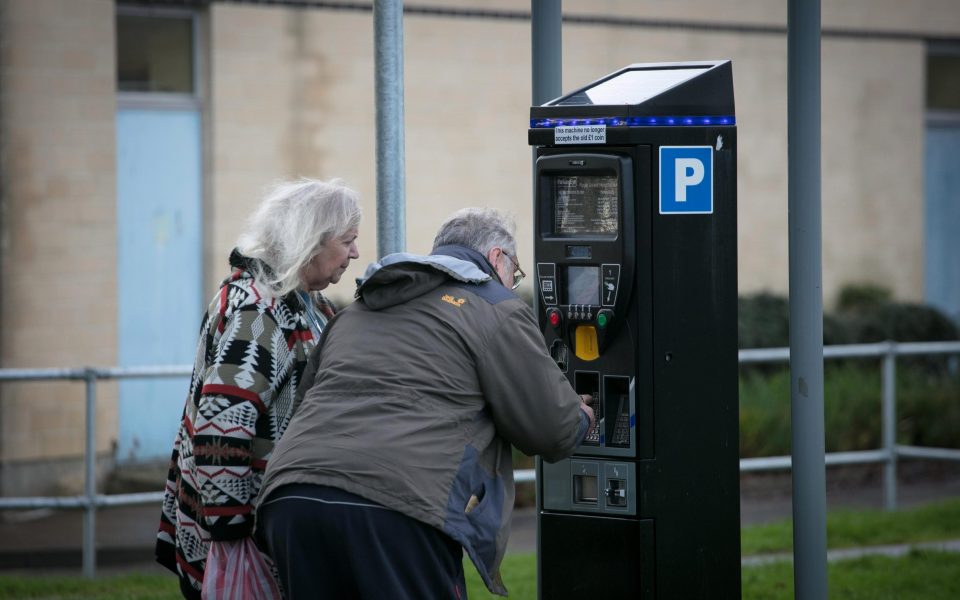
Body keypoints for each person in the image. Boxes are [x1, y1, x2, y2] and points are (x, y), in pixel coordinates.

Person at [256, 207, 594, 599]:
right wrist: (582, 416)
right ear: (498, 259)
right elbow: (550, 428)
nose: (511, 284)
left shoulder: (357, 312)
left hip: (291, 498)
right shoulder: (494, 308)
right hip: (395, 505)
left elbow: (305, 405)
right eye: (514, 273)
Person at [155, 178, 362, 599]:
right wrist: (233, 537)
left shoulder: (308, 302)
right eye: (347, 241)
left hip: (273, 522)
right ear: (310, 240)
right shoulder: (258, 309)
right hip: (245, 531)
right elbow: (221, 427)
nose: (355, 253)